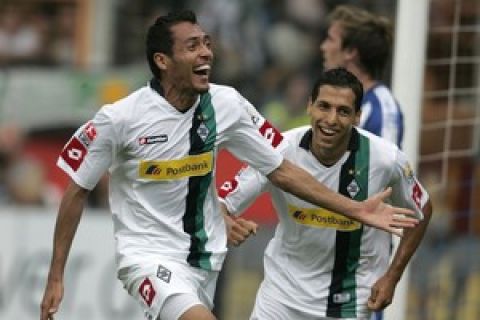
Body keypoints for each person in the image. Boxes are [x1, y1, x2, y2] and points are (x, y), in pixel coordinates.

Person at [40, 11, 417, 320]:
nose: (206, 53)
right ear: (162, 61)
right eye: (193, 46)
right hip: (147, 256)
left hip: (206, 259)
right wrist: (56, 274)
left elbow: (281, 169)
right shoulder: (119, 118)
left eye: (207, 43)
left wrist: (355, 209)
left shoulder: (228, 105)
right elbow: (76, 189)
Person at [220, 68, 432, 320]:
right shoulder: (276, 150)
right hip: (280, 299)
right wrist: (226, 222)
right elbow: (223, 201)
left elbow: (423, 209)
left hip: (348, 304)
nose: (331, 119)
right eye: (324, 106)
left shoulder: (386, 159)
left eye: (343, 111)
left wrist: (392, 277)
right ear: (310, 106)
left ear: (357, 117)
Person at [320, 5, 404, 147]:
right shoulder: (329, 99)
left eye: (330, 39)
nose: (323, 47)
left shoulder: (382, 110)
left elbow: (386, 167)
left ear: (350, 52)